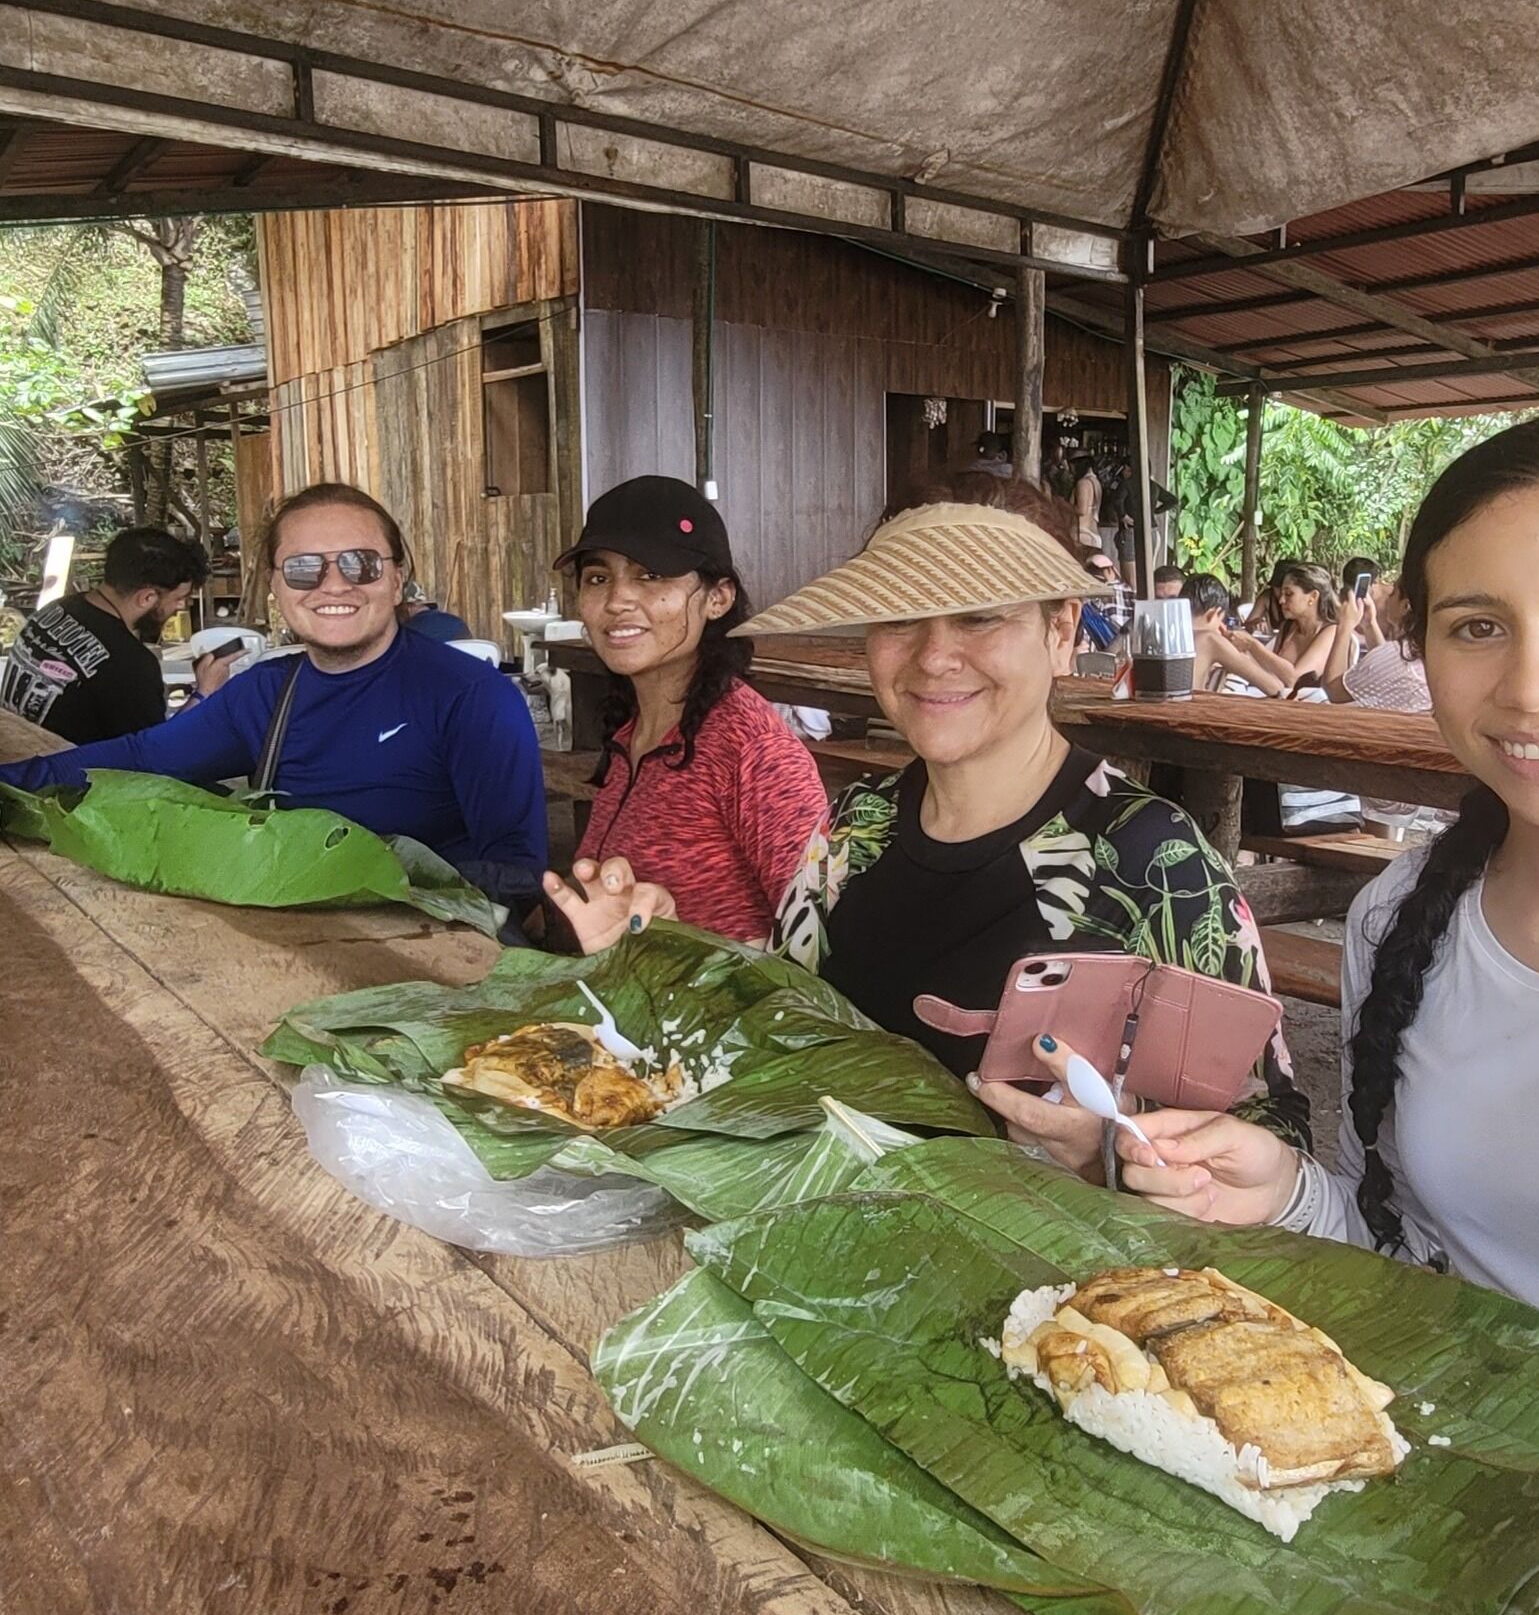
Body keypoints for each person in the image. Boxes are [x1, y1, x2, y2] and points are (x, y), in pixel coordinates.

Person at [1107, 415, 1539, 1580]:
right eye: (1478, 626)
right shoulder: (1400, 915)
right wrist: (1288, 1193)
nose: (1532, 686)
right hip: (1427, 1498)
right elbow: (1405, 1248)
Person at [754, 475, 1304, 1170]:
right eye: (899, 616)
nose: (933, 656)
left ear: (1061, 631)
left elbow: (1272, 1129)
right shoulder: (854, 828)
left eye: (980, 616)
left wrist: (1110, 1150)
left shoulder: (1152, 858)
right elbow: (774, 1031)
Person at [0, 481, 559, 922]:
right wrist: (10, 786)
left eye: (361, 563)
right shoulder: (266, 694)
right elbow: (141, 758)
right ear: (276, 587)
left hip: (428, 948)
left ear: (396, 580)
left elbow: (515, 872)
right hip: (292, 942)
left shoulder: (471, 697)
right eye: (304, 568)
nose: (333, 585)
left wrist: (370, 879)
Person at [540, 477, 827, 945]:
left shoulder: (753, 751)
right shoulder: (631, 733)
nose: (617, 600)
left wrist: (690, 957)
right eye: (598, 578)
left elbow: (818, 943)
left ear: (718, 598)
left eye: (651, 575)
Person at [0, 524, 216, 740]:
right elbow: (155, 751)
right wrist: (203, 692)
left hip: (13, 750)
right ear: (146, 598)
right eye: (179, 598)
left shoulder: (56, 609)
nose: (181, 606)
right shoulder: (130, 664)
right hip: (62, 760)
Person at [1319, 570, 1430, 711]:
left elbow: (1333, 690)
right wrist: (1369, 624)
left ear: (1405, 606)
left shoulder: (1400, 654)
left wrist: (1344, 627)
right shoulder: (1420, 649)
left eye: (1393, 593)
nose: (1387, 597)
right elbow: (1385, 665)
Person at [1181, 572, 1304, 699]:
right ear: (1213, 614)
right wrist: (1244, 653)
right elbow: (1275, 688)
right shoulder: (1210, 640)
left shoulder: (1171, 635)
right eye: (1220, 620)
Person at [1265, 559, 1340, 685]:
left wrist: (1253, 646)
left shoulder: (1330, 631)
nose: (1281, 600)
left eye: (1289, 594)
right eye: (1281, 594)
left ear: (1313, 597)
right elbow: (1271, 673)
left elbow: (1297, 679)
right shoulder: (1287, 627)